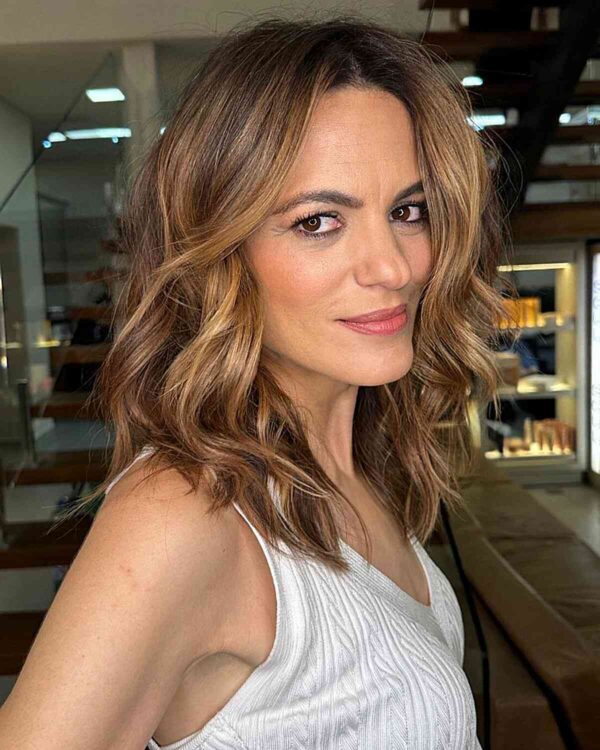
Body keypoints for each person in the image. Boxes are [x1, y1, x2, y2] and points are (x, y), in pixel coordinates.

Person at [0, 14, 511, 749]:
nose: (393, 267)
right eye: (318, 222)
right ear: (222, 251)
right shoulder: (183, 512)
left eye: (409, 211)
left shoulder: (353, 467)